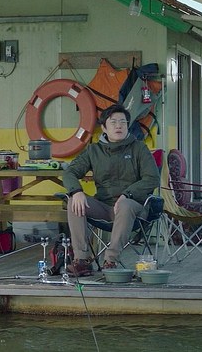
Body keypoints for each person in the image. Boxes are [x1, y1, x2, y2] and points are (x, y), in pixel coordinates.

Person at [62, 104, 161, 276]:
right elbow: (70, 172)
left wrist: (127, 194)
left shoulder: (139, 148)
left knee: (125, 205)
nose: (118, 126)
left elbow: (152, 178)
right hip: (104, 207)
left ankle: (111, 261)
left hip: (134, 207)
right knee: (73, 202)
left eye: (123, 122)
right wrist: (76, 191)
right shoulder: (93, 150)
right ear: (104, 128)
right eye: (113, 122)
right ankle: (82, 260)